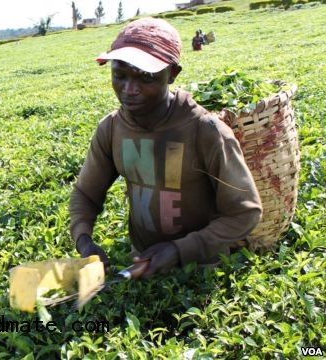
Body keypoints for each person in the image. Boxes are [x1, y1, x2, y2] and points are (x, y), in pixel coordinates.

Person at [77, 18, 262, 279]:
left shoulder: (204, 130)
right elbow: (86, 194)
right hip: (141, 261)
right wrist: (84, 240)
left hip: (200, 269)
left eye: (146, 78)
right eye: (119, 75)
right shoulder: (111, 129)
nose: (129, 90)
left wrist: (180, 250)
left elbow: (245, 212)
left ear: (173, 73)